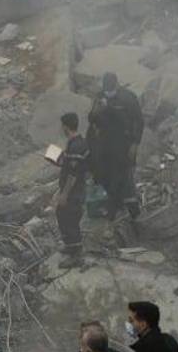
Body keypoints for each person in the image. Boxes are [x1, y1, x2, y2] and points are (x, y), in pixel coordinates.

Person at [86, 73, 143, 220]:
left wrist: (135, 144)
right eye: (106, 89)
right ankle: (114, 208)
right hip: (105, 145)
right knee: (106, 177)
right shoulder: (100, 97)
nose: (108, 92)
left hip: (124, 144)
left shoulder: (128, 98)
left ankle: (133, 212)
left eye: (110, 89)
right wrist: (95, 112)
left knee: (124, 177)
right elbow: (92, 119)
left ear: (117, 85)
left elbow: (138, 121)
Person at [51, 112, 90, 267]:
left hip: (74, 190)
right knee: (62, 215)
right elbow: (69, 164)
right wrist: (57, 158)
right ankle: (70, 246)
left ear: (65, 127)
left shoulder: (76, 146)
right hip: (76, 189)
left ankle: (76, 255)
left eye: (62, 126)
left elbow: (73, 174)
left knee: (70, 219)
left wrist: (64, 194)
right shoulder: (77, 142)